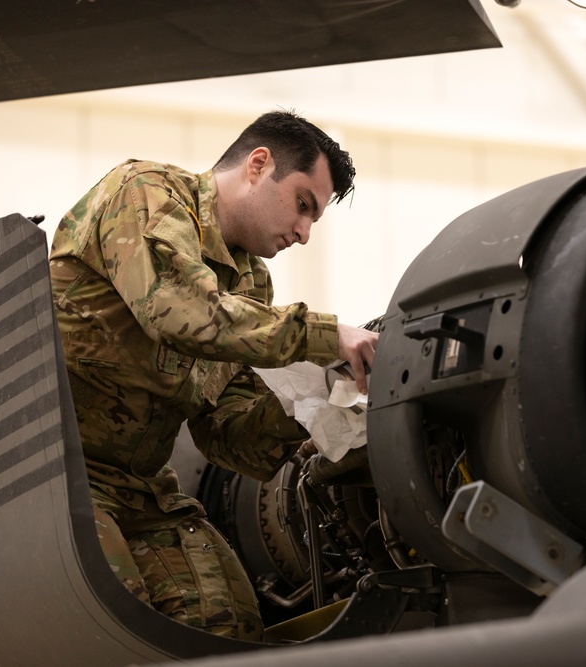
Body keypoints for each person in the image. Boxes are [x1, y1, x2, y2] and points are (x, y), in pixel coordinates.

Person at [47, 110, 378, 641]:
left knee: (227, 627)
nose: (304, 232)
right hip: (56, 479)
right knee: (113, 627)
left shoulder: (250, 285)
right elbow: (181, 312)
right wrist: (326, 335)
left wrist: (317, 399)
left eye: (313, 218)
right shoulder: (145, 193)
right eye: (302, 205)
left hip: (143, 493)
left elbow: (224, 433)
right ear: (258, 164)